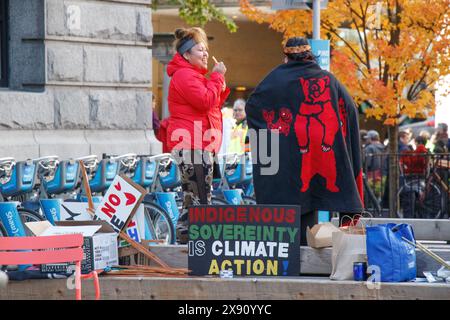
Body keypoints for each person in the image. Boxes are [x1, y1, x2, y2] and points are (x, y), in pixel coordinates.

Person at [245, 37, 364, 245]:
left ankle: (292, 253)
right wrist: (342, 138)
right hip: (323, 147)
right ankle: (311, 248)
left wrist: (277, 133)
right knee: (317, 190)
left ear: (287, 57)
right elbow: (351, 109)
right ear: (310, 55)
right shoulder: (327, 78)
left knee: (297, 192)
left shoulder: (275, 79)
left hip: (292, 148)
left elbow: (253, 106)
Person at [165, 27, 230, 243]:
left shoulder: (193, 76)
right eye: (200, 50)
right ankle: (201, 247)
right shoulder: (185, 75)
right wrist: (217, 76)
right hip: (193, 144)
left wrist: (217, 82)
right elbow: (205, 101)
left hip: (199, 144)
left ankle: (185, 245)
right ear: (186, 55)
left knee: (193, 199)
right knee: (201, 199)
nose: (205, 54)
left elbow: (210, 105)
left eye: (206, 49)